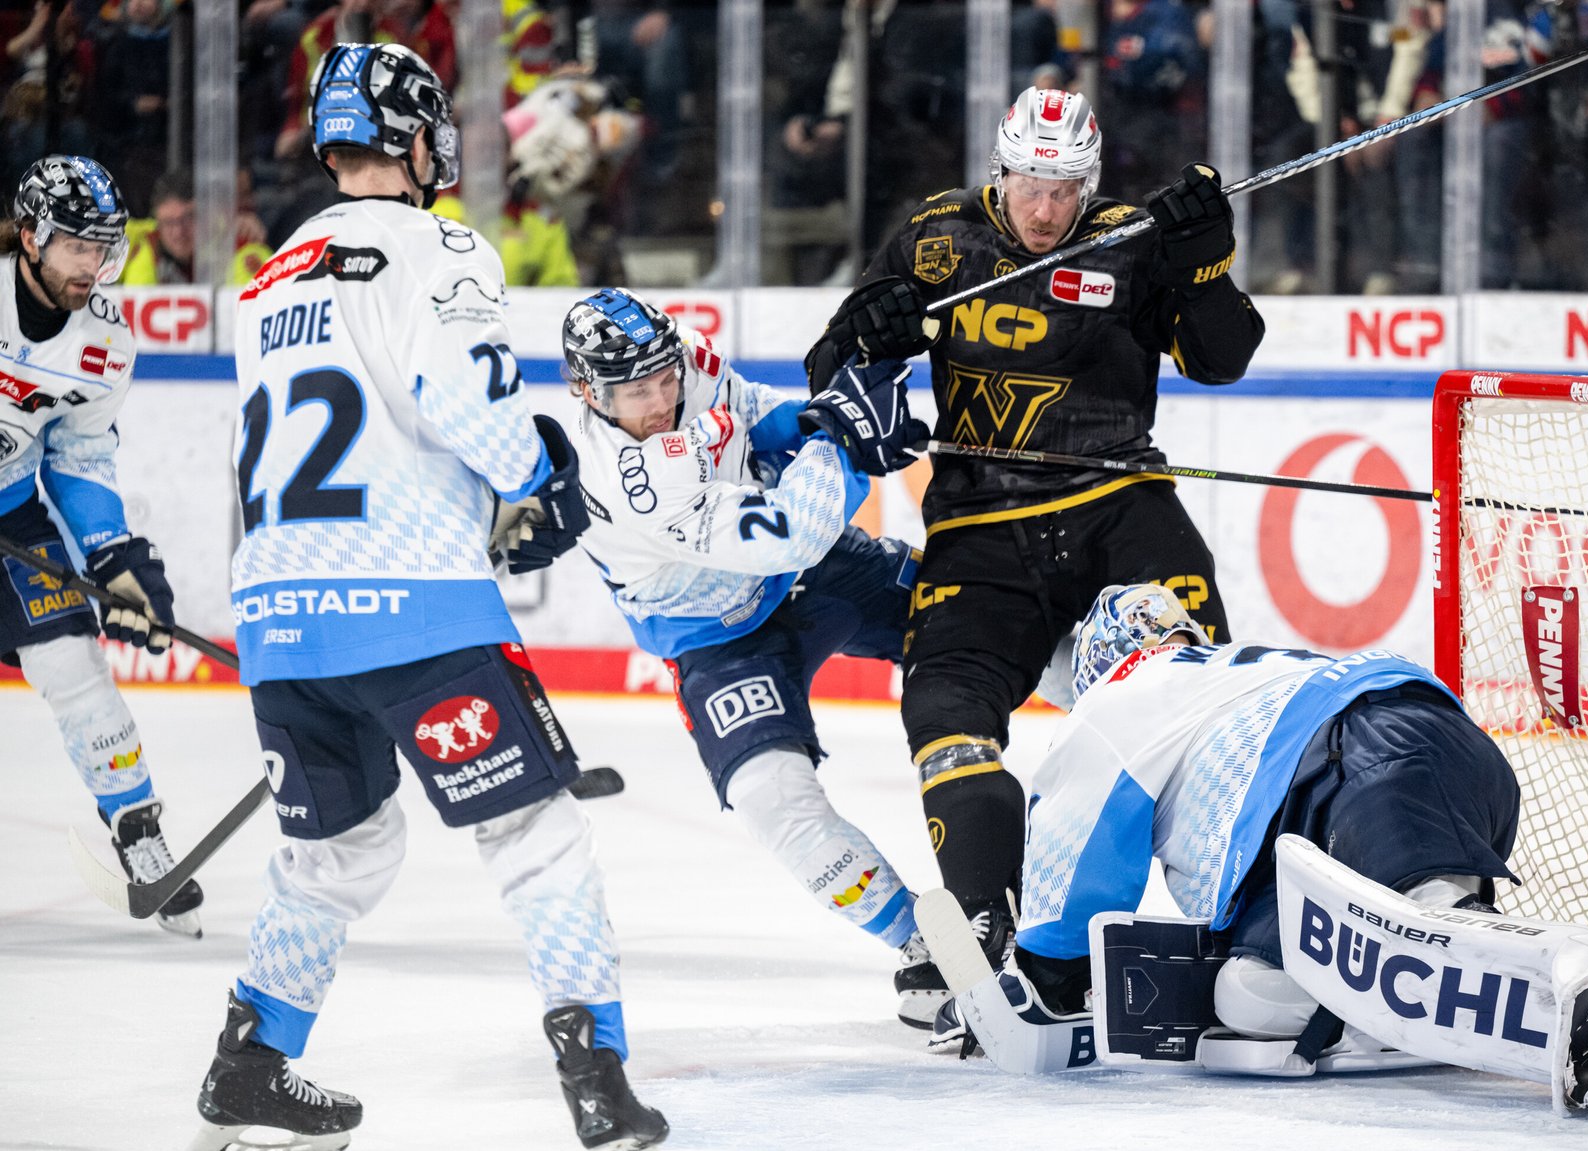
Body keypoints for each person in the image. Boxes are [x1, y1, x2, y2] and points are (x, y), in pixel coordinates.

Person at [192, 44, 664, 1151]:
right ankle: (595, 1075)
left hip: (277, 612)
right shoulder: (439, 244)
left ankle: (248, 1061)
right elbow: (463, 396)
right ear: (414, 138)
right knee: (535, 835)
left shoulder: (269, 271)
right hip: (413, 605)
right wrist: (538, 476)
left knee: (338, 852)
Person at [933, 584, 1588, 1121]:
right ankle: (1401, 999)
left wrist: (1032, 987)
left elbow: (1074, 873)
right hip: (1415, 755)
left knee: (1430, 925)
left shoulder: (1120, 697)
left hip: (1357, 760)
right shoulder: (1226, 671)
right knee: (1249, 1001)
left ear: (1105, 659)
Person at [802, 85, 1266, 973]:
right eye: (1029, 184)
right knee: (941, 703)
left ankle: (1249, 921)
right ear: (999, 170)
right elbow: (831, 366)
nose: (1046, 208)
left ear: (1089, 182)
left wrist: (1205, 263)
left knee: (1205, 697)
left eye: (1065, 187)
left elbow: (1222, 357)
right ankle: (986, 924)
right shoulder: (933, 237)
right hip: (979, 524)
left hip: (1117, 504)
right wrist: (869, 333)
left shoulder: (1131, 238)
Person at [559, 286, 949, 1026]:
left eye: (666, 376)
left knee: (977, 618)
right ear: (587, 390)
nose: (662, 397)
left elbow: (760, 415)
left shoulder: (683, 362)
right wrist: (843, 444)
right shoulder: (627, 482)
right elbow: (790, 531)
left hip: (816, 575)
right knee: (772, 800)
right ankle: (922, 940)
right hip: (719, 638)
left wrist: (822, 418)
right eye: (637, 391)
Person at [0, 154, 202, 937]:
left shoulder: (105, 342)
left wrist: (117, 558)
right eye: (78, 245)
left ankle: (139, 832)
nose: (96, 264)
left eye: (105, 245)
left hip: (15, 514)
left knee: (77, 666)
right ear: (29, 237)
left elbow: (79, 458)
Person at [118, 169, 274, 287]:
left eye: (189, 218)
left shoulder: (240, 245)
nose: (178, 232)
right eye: (168, 222)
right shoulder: (144, 241)